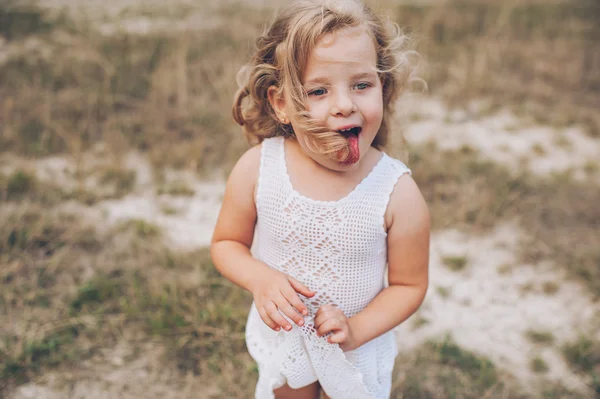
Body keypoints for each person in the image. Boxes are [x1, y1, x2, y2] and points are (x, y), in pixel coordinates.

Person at [210, 1, 430, 398]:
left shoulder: (396, 192)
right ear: (281, 104)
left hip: (354, 351)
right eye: (318, 90)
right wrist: (260, 279)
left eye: (362, 85)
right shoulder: (259, 169)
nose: (345, 104)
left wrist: (357, 330)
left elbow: (409, 285)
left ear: (383, 87)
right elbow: (227, 243)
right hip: (287, 341)